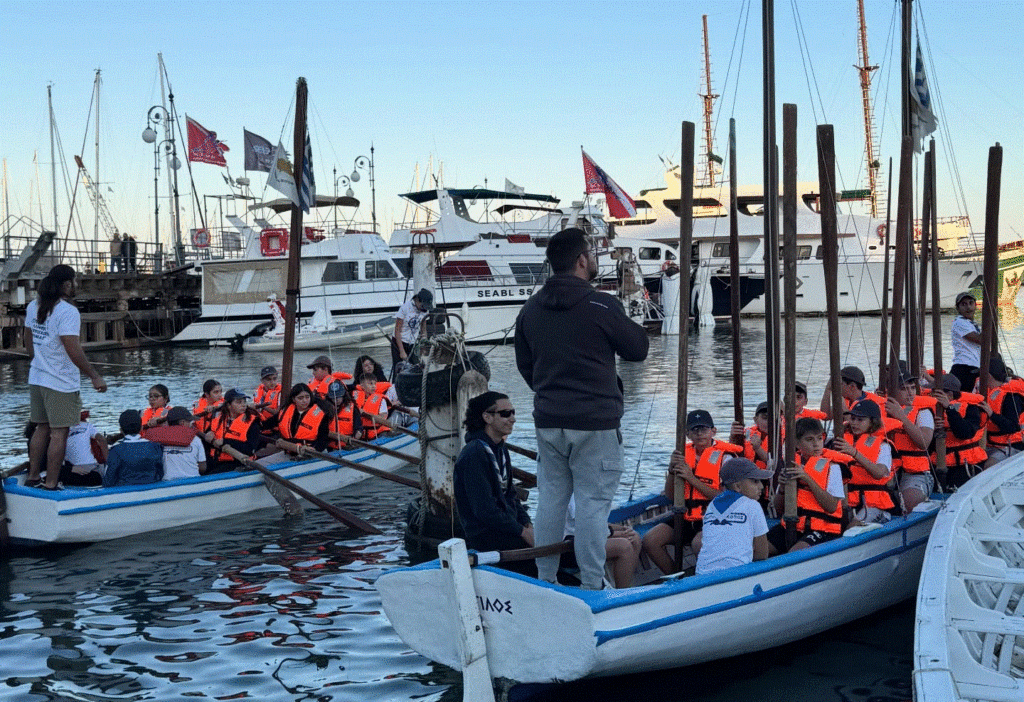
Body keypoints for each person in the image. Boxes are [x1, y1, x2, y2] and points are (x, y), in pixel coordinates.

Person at [514, 227, 649, 590]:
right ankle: (593, 584)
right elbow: (638, 349)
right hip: (595, 422)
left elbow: (525, 366)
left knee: (551, 502)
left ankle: (546, 580)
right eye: (590, 253)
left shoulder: (529, 310)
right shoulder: (601, 304)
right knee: (591, 504)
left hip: (549, 420)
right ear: (580, 260)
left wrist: (551, 395)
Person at [24, 264, 108, 490]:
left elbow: (28, 338)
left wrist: (38, 361)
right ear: (67, 284)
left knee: (41, 428)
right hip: (60, 382)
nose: (76, 285)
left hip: (37, 378)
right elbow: (72, 348)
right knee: (59, 432)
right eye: (74, 281)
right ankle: (51, 482)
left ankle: (33, 476)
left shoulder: (34, 305)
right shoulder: (67, 311)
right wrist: (94, 375)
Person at [641, 409, 744, 575]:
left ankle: (704, 579)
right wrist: (672, 470)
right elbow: (671, 496)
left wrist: (691, 479)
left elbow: (727, 498)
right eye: (694, 430)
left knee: (699, 543)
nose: (699, 434)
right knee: (650, 540)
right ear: (687, 434)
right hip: (686, 515)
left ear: (713, 431)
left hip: (715, 516)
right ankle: (677, 578)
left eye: (703, 429)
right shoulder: (682, 455)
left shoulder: (726, 459)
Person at [452, 391, 535, 576]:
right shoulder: (474, 454)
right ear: (487, 417)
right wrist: (522, 532)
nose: (512, 418)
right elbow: (484, 510)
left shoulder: (500, 449)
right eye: (506, 414)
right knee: (559, 558)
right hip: (486, 536)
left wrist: (526, 524)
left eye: (513, 413)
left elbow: (511, 496)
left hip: (507, 529)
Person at [768, 418, 845, 554]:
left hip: (823, 528)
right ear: (797, 443)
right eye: (809, 440)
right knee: (758, 549)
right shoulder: (792, 465)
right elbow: (779, 508)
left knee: (796, 553)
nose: (816, 444)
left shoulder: (833, 468)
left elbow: (832, 507)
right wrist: (782, 487)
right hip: (793, 525)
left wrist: (806, 478)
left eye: (819, 439)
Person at [694, 458, 770, 575]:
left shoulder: (712, 505)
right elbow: (762, 554)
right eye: (755, 481)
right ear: (737, 486)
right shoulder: (753, 505)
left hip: (701, 573)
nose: (761, 486)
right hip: (736, 574)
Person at [832, 399, 896, 524]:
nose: (855, 423)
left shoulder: (883, 446)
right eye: (853, 419)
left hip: (874, 505)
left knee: (853, 527)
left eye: (860, 420)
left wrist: (854, 453)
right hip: (847, 501)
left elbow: (879, 473)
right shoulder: (842, 441)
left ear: (872, 422)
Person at [885, 365, 935, 511]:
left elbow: (924, 442)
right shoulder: (880, 411)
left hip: (915, 474)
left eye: (912, 388)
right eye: (904, 389)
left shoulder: (922, 412)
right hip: (886, 471)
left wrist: (901, 417)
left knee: (909, 500)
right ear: (891, 391)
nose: (910, 393)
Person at [563, 495, 640, 588]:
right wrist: (614, 533)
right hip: (570, 545)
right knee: (624, 547)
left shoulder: (590, 490)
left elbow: (597, 524)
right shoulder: (575, 495)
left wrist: (622, 529)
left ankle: (629, 585)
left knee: (635, 538)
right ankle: (622, 592)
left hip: (588, 538)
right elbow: (586, 526)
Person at [930, 374, 987, 489]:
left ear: (949, 394)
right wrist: (932, 428)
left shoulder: (970, 408)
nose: (931, 395)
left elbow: (965, 433)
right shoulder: (929, 408)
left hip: (965, 465)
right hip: (938, 463)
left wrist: (949, 408)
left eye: (936, 393)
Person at [204, 388, 263, 472]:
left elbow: (250, 449)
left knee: (212, 473)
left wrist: (226, 441)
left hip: (238, 461)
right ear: (228, 405)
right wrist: (208, 433)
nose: (243, 405)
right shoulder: (218, 418)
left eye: (244, 402)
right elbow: (209, 431)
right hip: (216, 458)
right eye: (239, 402)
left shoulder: (252, 423)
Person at [983, 353, 1024, 468]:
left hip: (1012, 445)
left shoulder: (1011, 396)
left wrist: (991, 414)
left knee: (989, 466)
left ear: (989, 376)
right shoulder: (988, 391)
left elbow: (1012, 427)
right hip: (992, 443)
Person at [104, 410, 163, 487]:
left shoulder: (115, 450)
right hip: (151, 485)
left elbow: (109, 477)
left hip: (124, 489)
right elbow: (160, 472)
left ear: (121, 430)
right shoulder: (155, 446)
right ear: (141, 428)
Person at [275, 383, 331, 454]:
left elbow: (324, 439)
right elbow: (270, 422)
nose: (304, 401)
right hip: (289, 450)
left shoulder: (321, 415)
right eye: (300, 398)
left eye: (307, 397)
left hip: (312, 453)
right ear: (294, 399)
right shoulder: (285, 410)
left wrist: (315, 449)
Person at [60, 409, 108, 487]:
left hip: (71, 468)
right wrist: (107, 462)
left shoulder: (63, 429)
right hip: (90, 468)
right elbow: (102, 440)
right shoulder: (88, 426)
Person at [819, 365, 886, 420]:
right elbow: (825, 416)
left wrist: (844, 409)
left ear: (852, 386)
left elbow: (858, 426)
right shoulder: (847, 401)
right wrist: (828, 389)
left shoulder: (874, 404)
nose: (837, 387)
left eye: (840, 384)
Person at [159, 406, 206, 480]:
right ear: (182, 423)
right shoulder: (196, 440)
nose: (192, 424)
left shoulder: (160, 440)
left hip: (168, 482)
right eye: (190, 422)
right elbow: (202, 468)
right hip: (193, 481)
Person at [392, 288, 433, 371]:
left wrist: (424, 340)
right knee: (399, 368)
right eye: (422, 306)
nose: (423, 309)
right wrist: (401, 351)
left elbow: (423, 328)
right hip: (400, 341)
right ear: (417, 300)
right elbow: (397, 330)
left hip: (413, 343)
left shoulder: (425, 310)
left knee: (416, 367)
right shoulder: (405, 308)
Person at [950, 291, 982, 393]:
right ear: (958, 308)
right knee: (964, 399)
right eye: (964, 304)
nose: (968, 307)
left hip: (972, 367)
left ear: (975, 305)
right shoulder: (960, 322)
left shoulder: (972, 324)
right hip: (964, 368)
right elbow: (980, 340)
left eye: (970, 303)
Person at [326, 381, 363, 449]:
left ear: (343, 395)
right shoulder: (325, 409)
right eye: (333, 397)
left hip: (348, 445)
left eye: (338, 397)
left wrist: (358, 434)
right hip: (329, 446)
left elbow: (358, 427)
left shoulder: (353, 408)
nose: (336, 400)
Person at [355, 372, 390, 440]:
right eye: (370, 384)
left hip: (379, 433)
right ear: (362, 385)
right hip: (361, 434)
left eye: (374, 384)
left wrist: (364, 413)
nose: (374, 386)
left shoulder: (381, 400)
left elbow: (383, 419)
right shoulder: (354, 397)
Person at [253, 365, 282, 430]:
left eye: (274, 379)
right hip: (260, 425)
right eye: (268, 379)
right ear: (262, 381)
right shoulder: (257, 392)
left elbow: (279, 414)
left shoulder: (281, 392)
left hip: (275, 428)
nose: (272, 382)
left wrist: (263, 406)